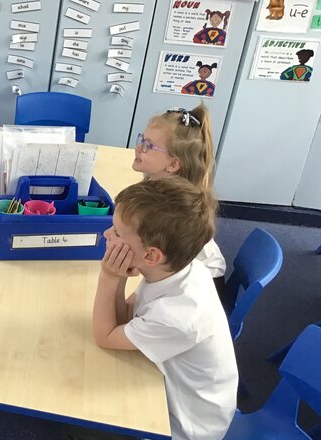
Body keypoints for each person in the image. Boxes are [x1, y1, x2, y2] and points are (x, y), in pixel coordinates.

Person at [92, 177, 238, 440]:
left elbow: (105, 336)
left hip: (183, 427)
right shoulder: (175, 270)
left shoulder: (177, 316)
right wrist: (120, 275)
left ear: (151, 256)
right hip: (176, 392)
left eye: (117, 233)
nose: (107, 234)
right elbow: (124, 318)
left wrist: (109, 276)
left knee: (80, 422)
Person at [131, 104, 226, 299]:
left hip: (202, 288)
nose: (138, 148)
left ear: (173, 164)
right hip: (180, 271)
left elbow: (158, 260)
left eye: (148, 145)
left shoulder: (175, 209)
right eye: (141, 139)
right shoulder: (158, 185)